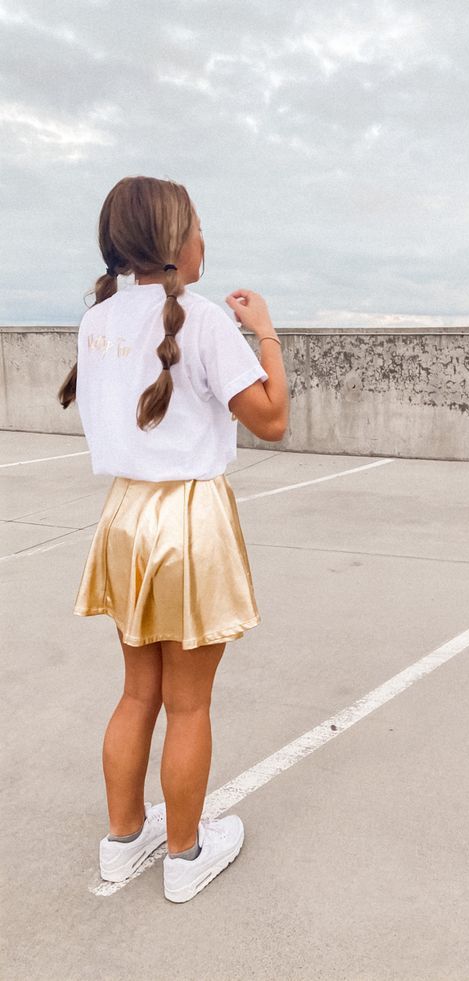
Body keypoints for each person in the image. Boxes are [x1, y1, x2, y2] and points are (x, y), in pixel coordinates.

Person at [58, 175, 289, 903]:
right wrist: (269, 333)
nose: (204, 240)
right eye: (196, 226)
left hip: (125, 515)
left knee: (137, 691)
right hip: (189, 517)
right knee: (189, 702)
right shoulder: (207, 319)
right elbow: (272, 419)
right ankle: (186, 852)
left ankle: (123, 840)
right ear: (172, 242)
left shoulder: (96, 321)